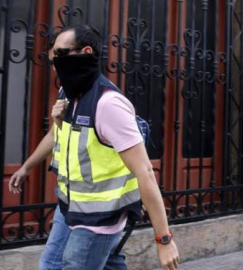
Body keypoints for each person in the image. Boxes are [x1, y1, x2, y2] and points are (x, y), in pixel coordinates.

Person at [48, 24, 179, 270]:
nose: (55, 62)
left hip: (98, 221)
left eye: (60, 54)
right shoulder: (71, 97)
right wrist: (58, 122)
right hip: (73, 211)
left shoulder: (108, 104)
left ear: (85, 52)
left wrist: (164, 239)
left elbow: (145, 172)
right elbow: (75, 153)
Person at [9, 38, 71, 270]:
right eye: (53, 62)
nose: (55, 67)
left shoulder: (100, 97)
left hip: (90, 199)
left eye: (58, 60)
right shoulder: (66, 91)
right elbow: (55, 135)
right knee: (110, 262)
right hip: (70, 192)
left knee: (52, 262)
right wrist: (27, 167)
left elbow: (120, 148)